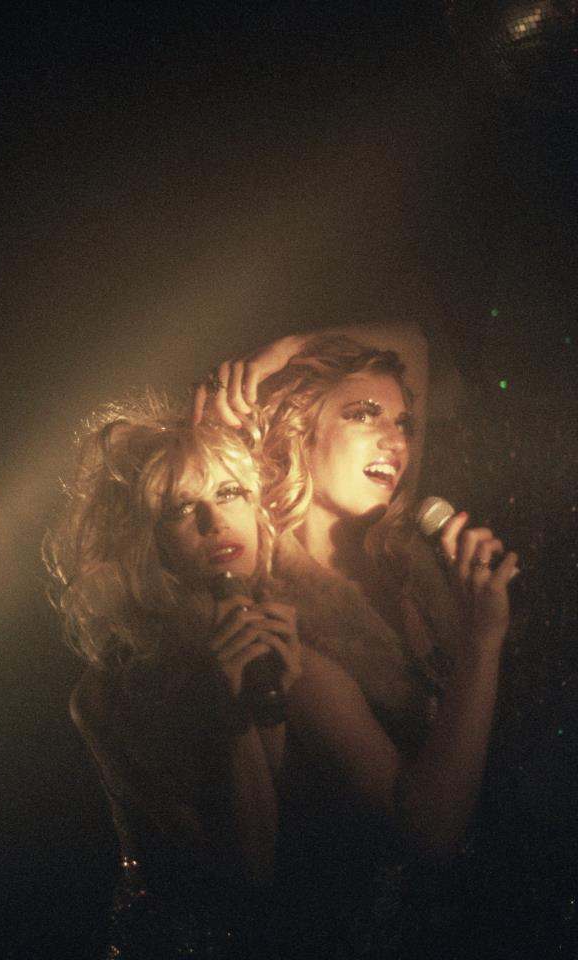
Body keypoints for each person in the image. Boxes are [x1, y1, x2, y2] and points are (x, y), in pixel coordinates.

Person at [193, 330, 520, 954]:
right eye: (364, 415)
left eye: (402, 423)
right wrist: (483, 644)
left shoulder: (405, 554)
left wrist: (287, 346)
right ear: (296, 433)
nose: (396, 442)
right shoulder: (285, 624)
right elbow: (429, 835)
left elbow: (414, 342)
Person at [44, 396, 303, 958]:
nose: (216, 522)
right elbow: (252, 870)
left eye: (229, 492)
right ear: (147, 541)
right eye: (183, 509)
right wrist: (234, 714)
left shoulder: (290, 632)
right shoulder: (114, 692)